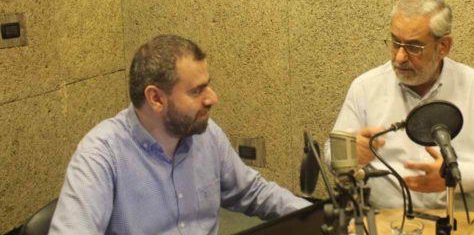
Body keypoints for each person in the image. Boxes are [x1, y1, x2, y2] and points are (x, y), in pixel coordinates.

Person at [50, 35, 310, 235]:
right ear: (156, 98)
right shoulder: (101, 154)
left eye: (208, 85)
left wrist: (320, 215)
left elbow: (254, 192)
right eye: (197, 91)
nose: (212, 98)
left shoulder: (206, 135)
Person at [325, 0, 474, 211]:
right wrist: (350, 154)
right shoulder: (365, 87)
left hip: (458, 219)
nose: (400, 57)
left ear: (443, 46)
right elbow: (331, 154)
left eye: (414, 47)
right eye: (395, 43)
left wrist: (457, 176)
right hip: (383, 219)